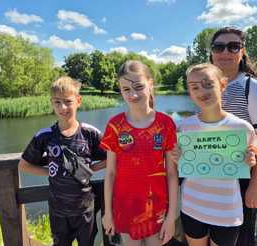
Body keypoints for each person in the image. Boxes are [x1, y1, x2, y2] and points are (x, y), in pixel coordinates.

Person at [178, 63, 257, 246]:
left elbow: (253, 158)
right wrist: (174, 157)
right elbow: (177, 163)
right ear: (190, 93)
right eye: (194, 87)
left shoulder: (242, 128)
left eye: (208, 84)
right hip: (191, 205)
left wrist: (250, 160)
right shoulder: (184, 127)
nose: (202, 91)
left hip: (227, 210)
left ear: (222, 85)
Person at [18, 76, 106, 246]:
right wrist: (50, 170)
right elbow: (24, 165)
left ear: (78, 101)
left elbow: (112, 157)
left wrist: (91, 169)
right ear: (51, 103)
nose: (62, 107)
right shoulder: (45, 136)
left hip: (85, 210)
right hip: (58, 211)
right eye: (57, 102)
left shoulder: (90, 133)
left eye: (68, 101)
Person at [210, 27, 257, 246]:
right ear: (211, 53)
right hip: (209, 178)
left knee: (240, 239)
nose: (225, 52)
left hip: (241, 180)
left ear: (242, 51)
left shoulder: (252, 87)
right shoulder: (207, 88)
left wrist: (256, 186)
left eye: (233, 46)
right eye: (219, 47)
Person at [101, 60, 178, 246]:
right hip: (125, 208)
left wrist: (171, 217)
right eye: (126, 89)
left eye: (138, 86)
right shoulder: (115, 125)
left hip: (158, 208)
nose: (133, 94)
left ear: (150, 84)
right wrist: (108, 214)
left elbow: (172, 173)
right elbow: (110, 173)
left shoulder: (165, 124)